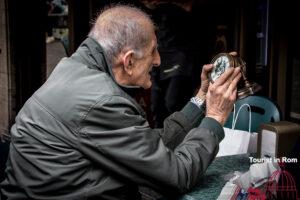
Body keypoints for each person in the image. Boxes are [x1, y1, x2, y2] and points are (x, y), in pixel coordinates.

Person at [0, 5, 241, 200]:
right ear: (128, 62)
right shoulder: (104, 100)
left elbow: (142, 146)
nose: (158, 61)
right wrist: (215, 117)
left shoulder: (74, 68)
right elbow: (177, 175)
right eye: (153, 51)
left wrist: (200, 99)